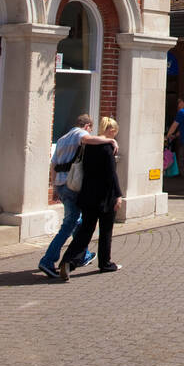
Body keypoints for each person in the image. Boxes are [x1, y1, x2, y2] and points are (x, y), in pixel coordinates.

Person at [38, 114, 115, 279]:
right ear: (87, 126)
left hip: (60, 183)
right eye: (90, 129)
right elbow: (89, 140)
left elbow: (53, 164)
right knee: (70, 223)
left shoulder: (62, 139)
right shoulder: (79, 134)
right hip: (72, 184)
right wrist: (109, 141)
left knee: (79, 222)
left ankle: (83, 254)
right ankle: (48, 260)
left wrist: (54, 187)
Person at [59, 117, 122, 280]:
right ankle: (105, 264)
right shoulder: (108, 147)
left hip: (87, 195)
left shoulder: (88, 147)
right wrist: (118, 195)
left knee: (85, 231)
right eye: (115, 132)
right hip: (105, 196)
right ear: (112, 130)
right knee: (106, 231)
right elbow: (111, 174)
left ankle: (68, 261)